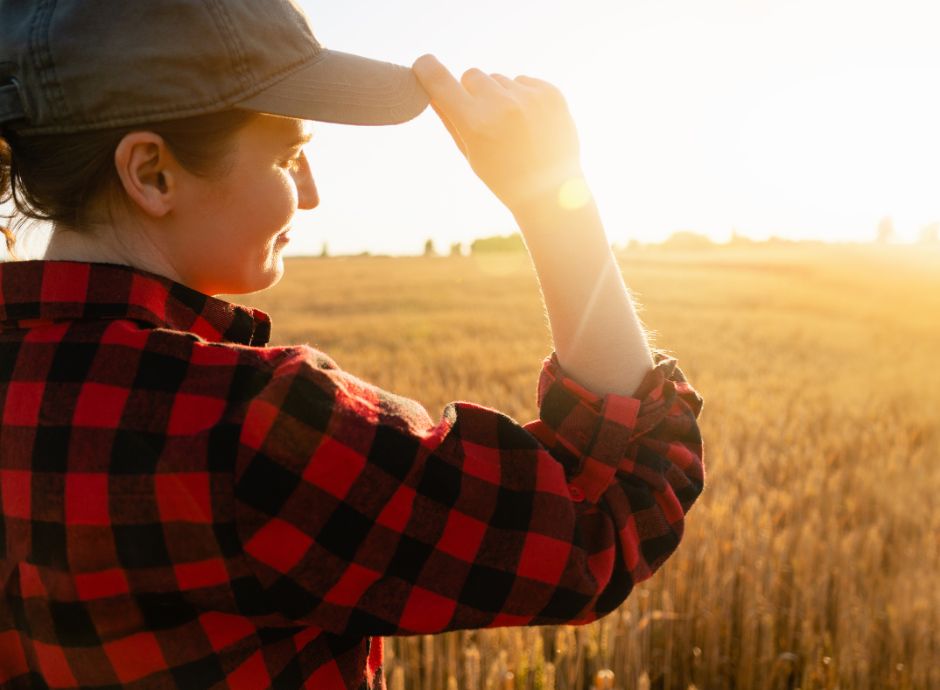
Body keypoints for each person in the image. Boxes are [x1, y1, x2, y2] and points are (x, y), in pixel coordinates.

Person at [0, 1, 705, 688]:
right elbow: (604, 512)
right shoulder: (252, 429)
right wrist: (552, 197)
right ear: (152, 173)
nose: (309, 195)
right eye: (288, 156)